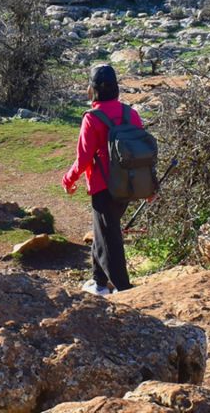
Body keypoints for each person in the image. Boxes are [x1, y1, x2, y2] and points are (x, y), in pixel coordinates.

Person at [62, 64, 140, 296]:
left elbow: (84, 158)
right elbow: (142, 152)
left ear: (92, 89)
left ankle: (124, 289)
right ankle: (99, 283)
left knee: (110, 237)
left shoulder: (92, 118)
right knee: (103, 232)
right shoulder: (131, 114)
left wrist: (68, 180)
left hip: (104, 187)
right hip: (129, 185)